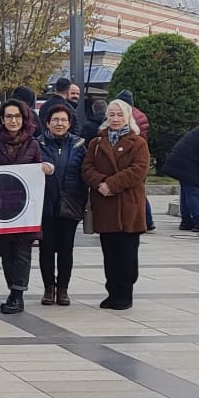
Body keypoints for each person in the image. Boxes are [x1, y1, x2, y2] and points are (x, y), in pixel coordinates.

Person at [0, 98, 43, 314]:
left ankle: (17, 294)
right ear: (2, 119)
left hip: (25, 208)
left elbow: (39, 172)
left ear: (24, 119)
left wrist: (45, 169)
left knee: (23, 252)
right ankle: (12, 290)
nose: (13, 120)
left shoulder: (33, 144)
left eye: (16, 116)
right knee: (6, 253)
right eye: (8, 116)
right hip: (1, 209)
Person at [83, 98, 151, 310]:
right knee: (109, 252)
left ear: (127, 117)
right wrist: (100, 183)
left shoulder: (137, 142)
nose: (115, 119)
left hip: (128, 205)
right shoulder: (96, 143)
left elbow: (138, 170)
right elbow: (86, 168)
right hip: (105, 205)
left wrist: (112, 184)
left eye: (119, 115)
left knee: (127, 252)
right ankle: (112, 291)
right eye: (111, 115)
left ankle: (125, 291)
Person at [37, 102, 86, 306]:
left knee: (66, 249)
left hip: (70, 203)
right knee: (46, 248)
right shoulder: (38, 144)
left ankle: (63, 289)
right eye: (55, 119)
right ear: (47, 123)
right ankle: (49, 288)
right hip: (45, 204)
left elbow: (85, 172)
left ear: (69, 123)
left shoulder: (80, 145)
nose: (59, 123)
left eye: (63, 120)